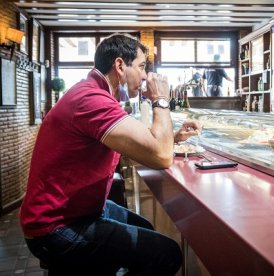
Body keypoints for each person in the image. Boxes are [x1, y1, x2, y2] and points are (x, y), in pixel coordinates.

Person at [19, 33, 201, 276]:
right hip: (56, 225)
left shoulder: (95, 94)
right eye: (141, 66)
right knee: (166, 254)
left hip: (80, 210)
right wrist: (161, 100)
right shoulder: (92, 99)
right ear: (119, 66)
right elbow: (161, 156)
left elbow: (140, 142)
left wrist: (173, 137)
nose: (146, 75)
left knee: (144, 227)